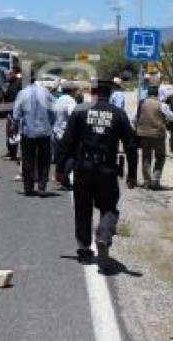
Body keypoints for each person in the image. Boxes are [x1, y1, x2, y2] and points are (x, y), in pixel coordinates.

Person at [60, 79, 137, 264]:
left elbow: (67, 141)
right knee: (109, 207)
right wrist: (132, 174)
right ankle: (103, 235)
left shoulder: (80, 110)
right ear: (109, 94)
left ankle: (85, 250)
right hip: (107, 169)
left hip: (84, 168)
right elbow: (131, 145)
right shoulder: (119, 114)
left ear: (93, 92)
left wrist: (60, 168)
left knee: (83, 208)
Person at [13, 79, 55, 195]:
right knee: (44, 160)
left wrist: (15, 129)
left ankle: (28, 188)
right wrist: (49, 125)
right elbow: (53, 111)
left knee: (27, 160)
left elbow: (16, 115)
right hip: (44, 132)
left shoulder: (22, 93)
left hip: (28, 133)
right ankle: (42, 187)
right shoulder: (46, 92)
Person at [135, 85, 173, 190]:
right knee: (160, 157)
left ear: (148, 93)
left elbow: (135, 119)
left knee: (146, 158)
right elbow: (172, 117)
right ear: (157, 94)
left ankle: (147, 182)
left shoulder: (142, 103)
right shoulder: (162, 105)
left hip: (143, 135)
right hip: (158, 135)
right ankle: (155, 181)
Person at [52, 83, 79, 191]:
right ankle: (64, 180)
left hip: (57, 131)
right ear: (72, 90)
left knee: (61, 157)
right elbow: (73, 116)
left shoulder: (59, 99)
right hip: (66, 133)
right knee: (72, 157)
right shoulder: (70, 101)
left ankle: (60, 178)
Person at [3, 70, 23, 160]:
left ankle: (12, 153)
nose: (6, 77)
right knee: (11, 133)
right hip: (11, 112)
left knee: (12, 133)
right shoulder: (12, 84)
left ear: (12, 75)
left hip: (14, 113)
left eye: (7, 75)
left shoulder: (17, 84)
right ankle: (11, 152)